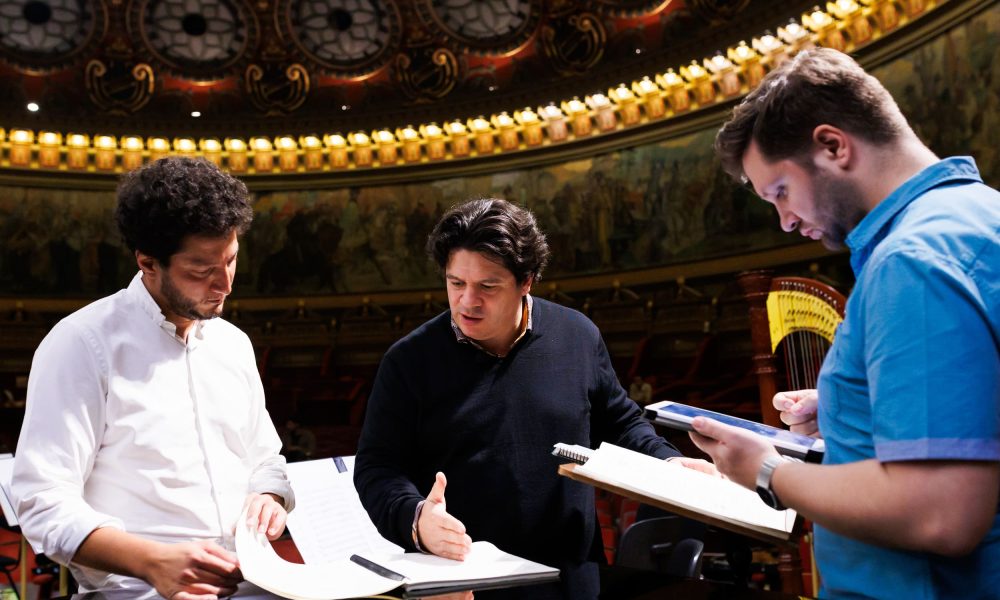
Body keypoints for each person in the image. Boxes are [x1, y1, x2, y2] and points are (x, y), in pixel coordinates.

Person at [692, 48, 999, 598]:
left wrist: (767, 471)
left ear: (833, 146)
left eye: (781, 192)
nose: (785, 221)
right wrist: (852, 410)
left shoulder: (911, 261)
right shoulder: (979, 214)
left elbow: (940, 513)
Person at [354, 197, 716, 599]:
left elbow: (620, 423)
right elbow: (377, 467)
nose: (467, 301)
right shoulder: (408, 361)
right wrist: (416, 518)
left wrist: (667, 461)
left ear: (526, 280)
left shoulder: (577, 335)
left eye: (487, 286)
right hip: (461, 582)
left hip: (571, 580)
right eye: (456, 283)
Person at [12, 157, 295, 599]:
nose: (225, 285)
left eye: (231, 260)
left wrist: (268, 495)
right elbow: (42, 501)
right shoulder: (81, 343)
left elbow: (266, 460)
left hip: (256, 582)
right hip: (136, 591)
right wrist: (152, 562)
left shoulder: (234, 344)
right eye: (201, 270)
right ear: (147, 262)